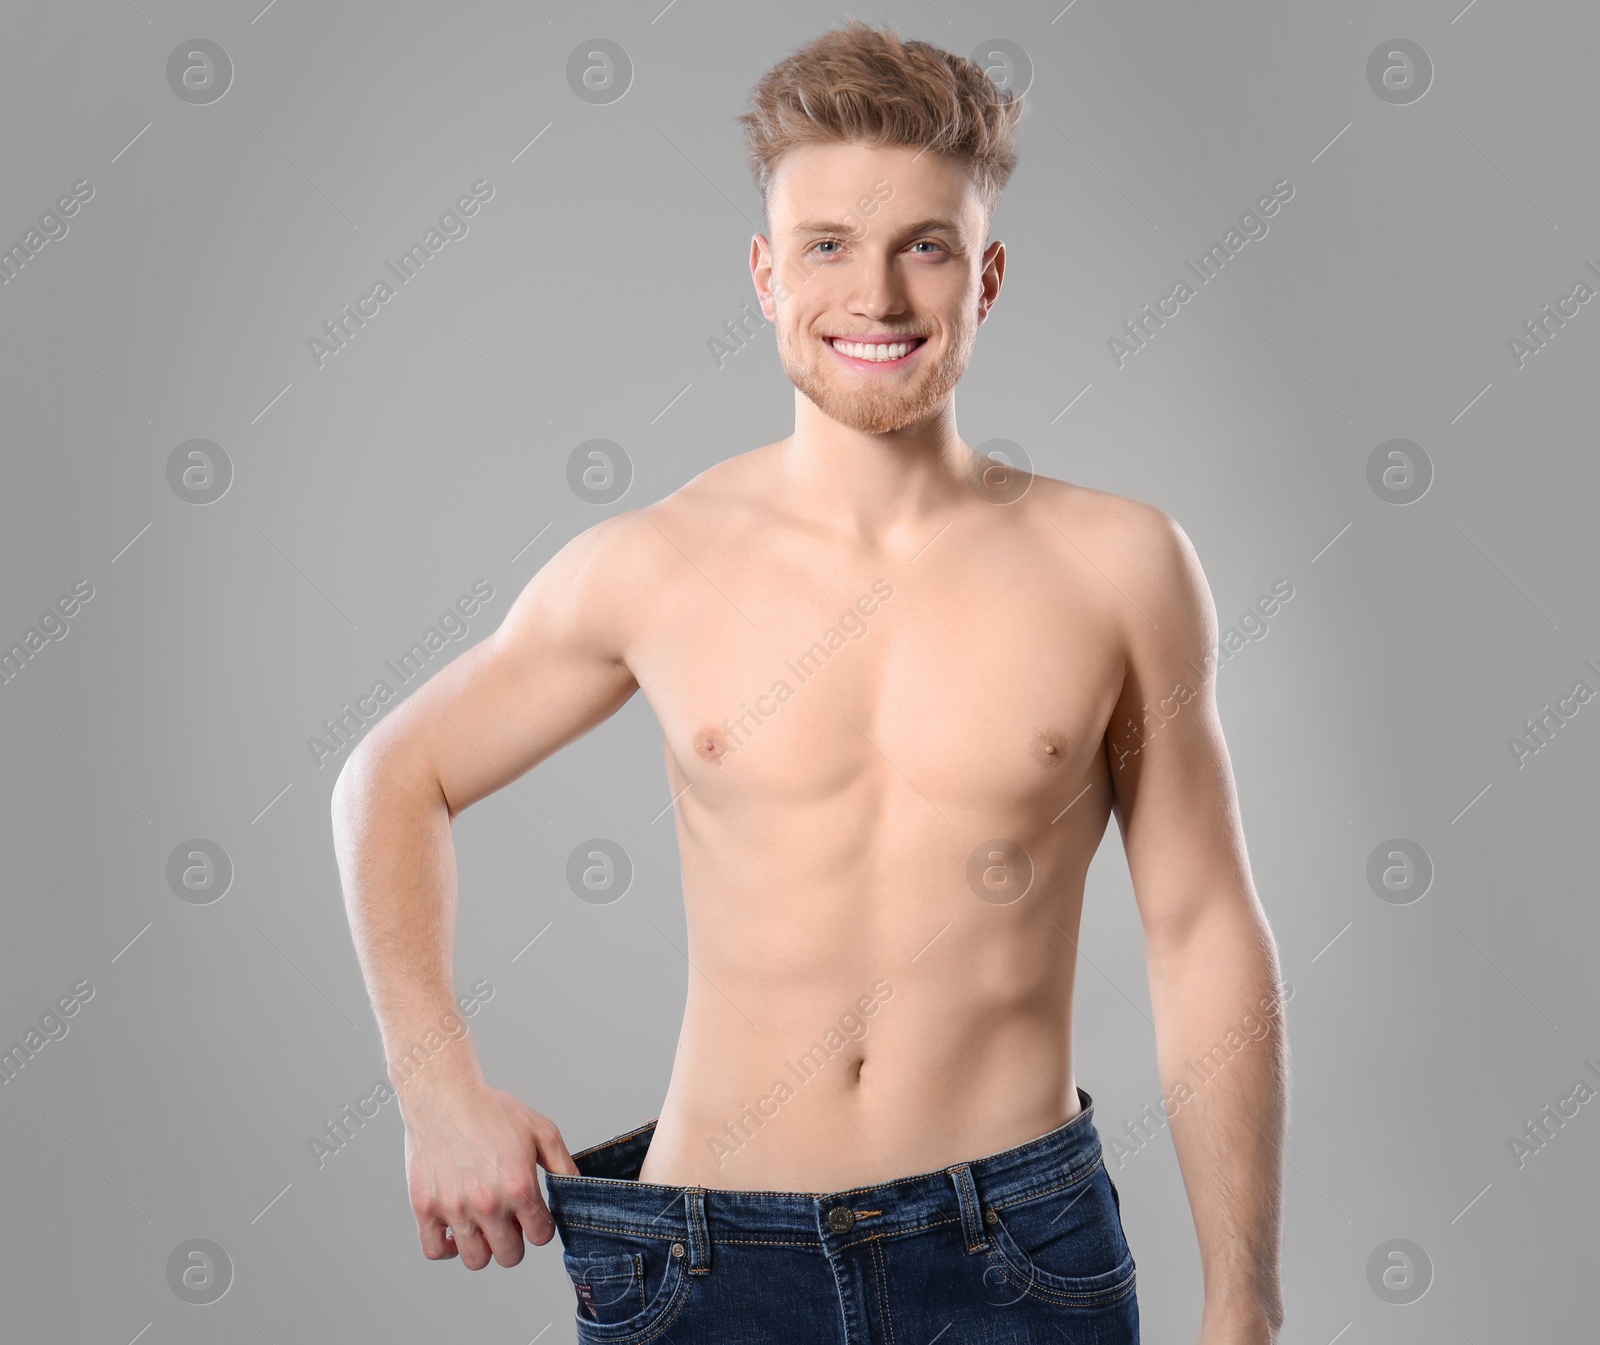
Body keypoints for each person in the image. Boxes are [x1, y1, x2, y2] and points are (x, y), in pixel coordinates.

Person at [332, 18, 1286, 1344]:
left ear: (987, 276)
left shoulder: (1121, 566)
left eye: (925, 247)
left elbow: (1200, 931)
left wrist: (1243, 1301)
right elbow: (393, 777)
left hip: (1014, 1254)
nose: (878, 298)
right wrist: (437, 1090)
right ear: (767, 277)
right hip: (709, 1259)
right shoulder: (652, 563)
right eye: (829, 245)